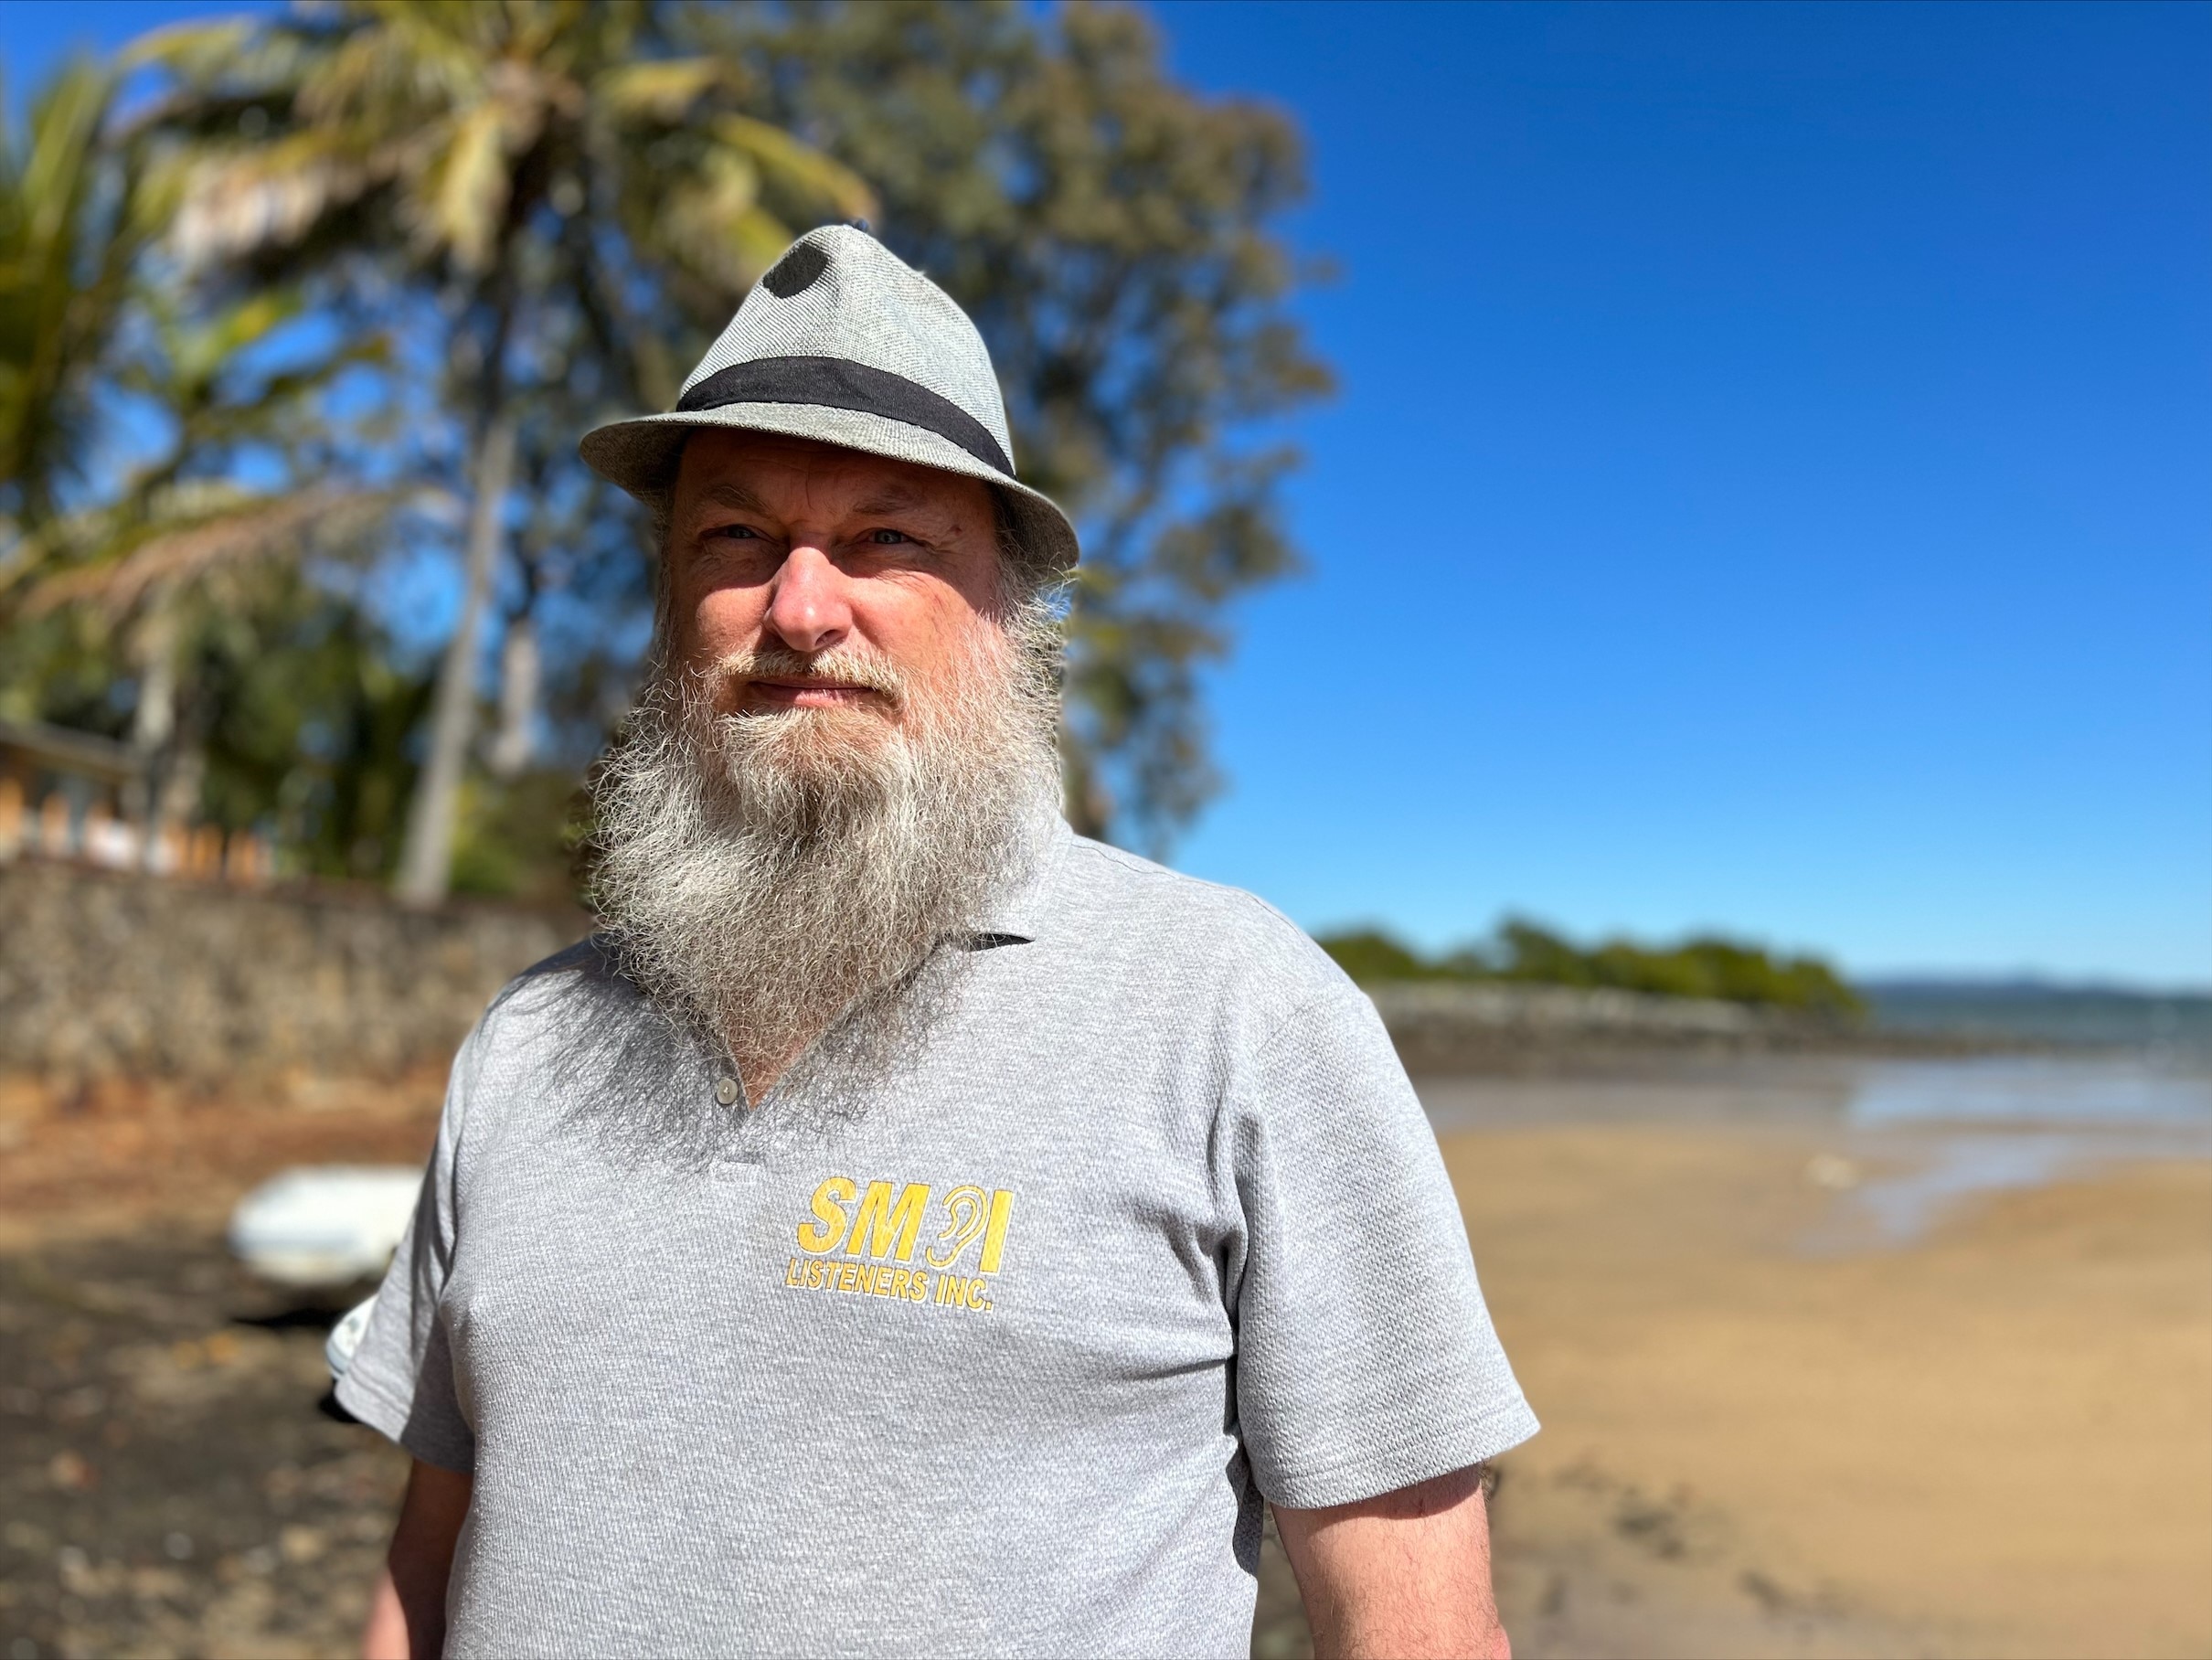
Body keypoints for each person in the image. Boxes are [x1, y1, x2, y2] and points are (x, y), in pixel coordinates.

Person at [339, 225, 1537, 1660]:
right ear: (669, 596)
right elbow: (427, 1566)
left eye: (886, 540)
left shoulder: (1236, 1012)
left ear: (1005, 605)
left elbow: (1418, 1632)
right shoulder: (535, 1040)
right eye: (734, 537)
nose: (798, 608)